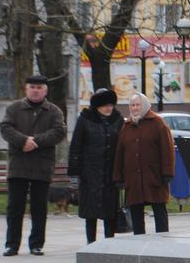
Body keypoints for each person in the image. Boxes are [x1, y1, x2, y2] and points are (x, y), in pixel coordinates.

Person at [0, 74, 67, 256]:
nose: (35, 91)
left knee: (39, 208)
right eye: (32, 87)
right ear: (26, 89)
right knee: (14, 208)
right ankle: (12, 245)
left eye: (39, 88)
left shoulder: (54, 111)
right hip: (18, 165)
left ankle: (36, 244)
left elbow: (59, 131)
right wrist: (23, 141)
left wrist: (36, 142)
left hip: (42, 166)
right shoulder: (14, 108)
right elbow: (5, 128)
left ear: (45, 90)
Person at [68, 88, 124, 243]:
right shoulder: (85, 119)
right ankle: (90, 243)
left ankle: (109, 243)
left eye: (111, 105)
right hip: (89, 174)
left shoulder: (117, 119)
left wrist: (121, 174)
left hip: (110, 175)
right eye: (105, 105)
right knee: (90, 213)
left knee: (110, 213)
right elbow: (75, 147)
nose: (108, 108)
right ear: (97, 106)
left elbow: (122, 148)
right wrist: (74, 174)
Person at [113, 92, 174, 234]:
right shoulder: (126, 126)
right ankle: (139, 240)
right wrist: (118, 177)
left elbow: (167, 149)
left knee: (159, 209)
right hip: (133, 179)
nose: (135, 108)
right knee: (136, 212)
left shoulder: (158, 123)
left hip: (154, 176)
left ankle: (163, 240)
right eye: (132, 105)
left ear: (145, 105)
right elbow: (119, 154)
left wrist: (168, 172)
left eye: (138, 105)